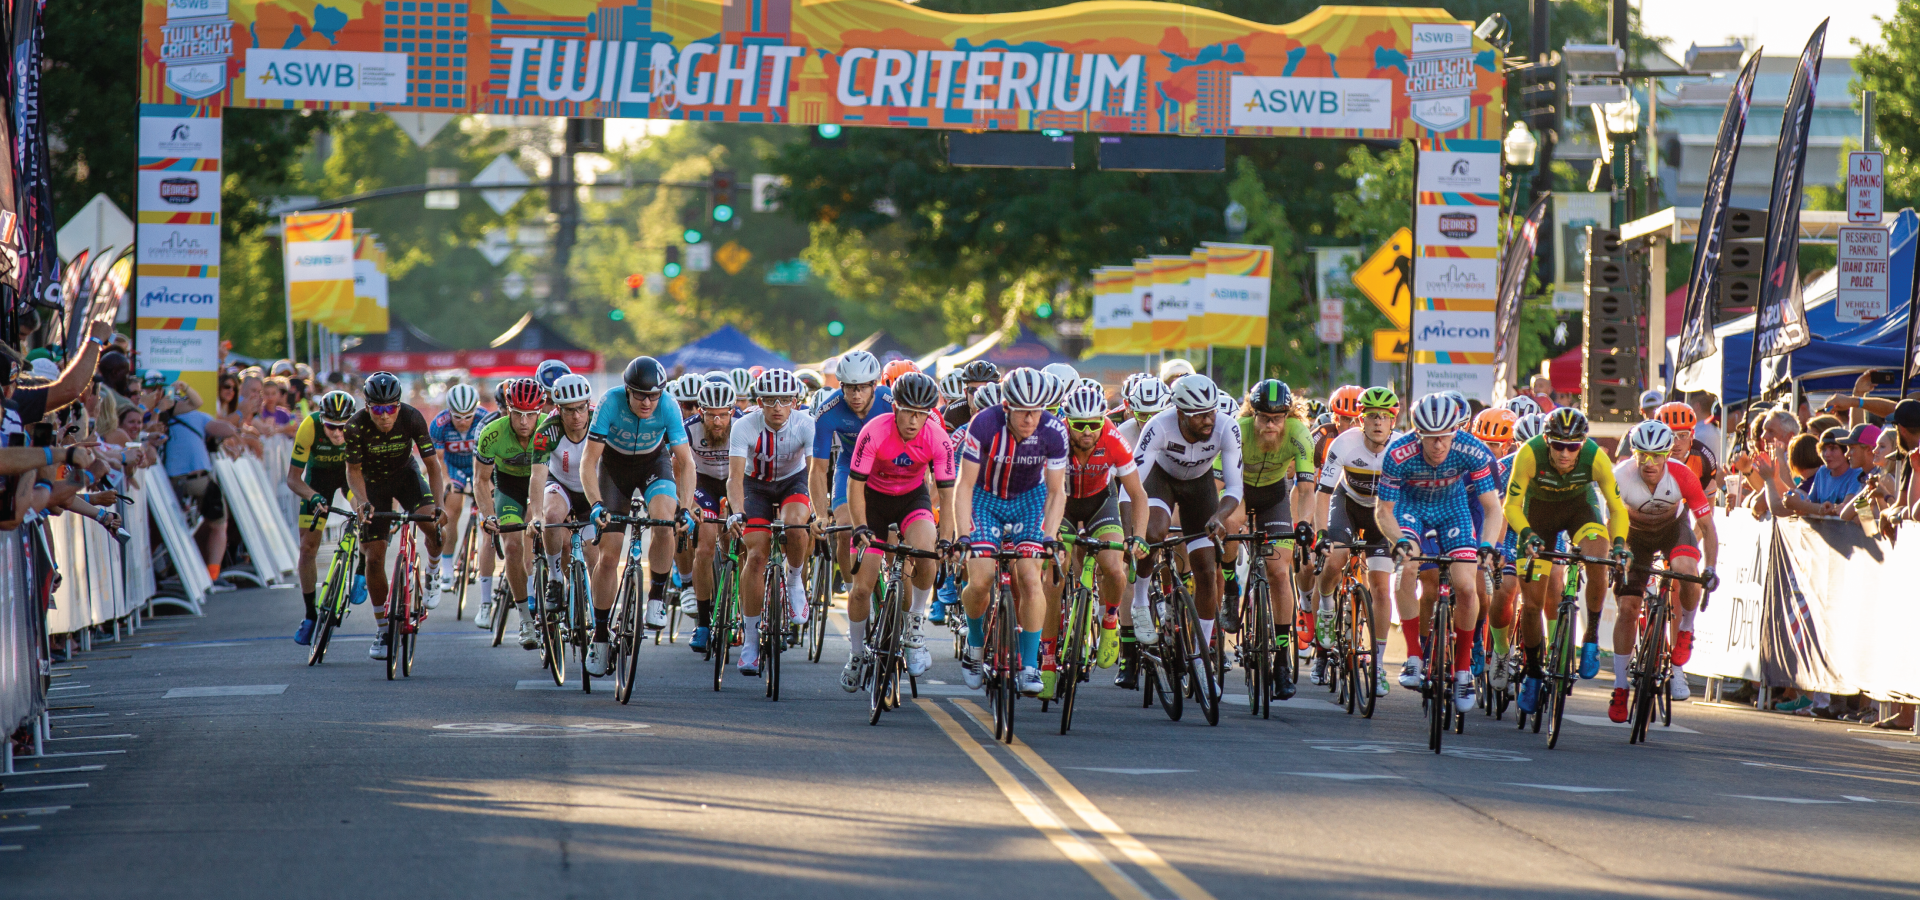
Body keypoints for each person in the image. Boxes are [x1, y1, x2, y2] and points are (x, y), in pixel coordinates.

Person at [1374, 393, 1504, 711]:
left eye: (1445, 436)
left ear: (1455, 432)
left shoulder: (1472, 450)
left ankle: (1462, 672)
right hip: (1410, 509)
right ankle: (1414, 658)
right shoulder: (1398, 452)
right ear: (1417, 433)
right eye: (1430, 438)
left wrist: (1487, 545)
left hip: (1453, 510)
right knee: (1406, 568)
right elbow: (1383, 511)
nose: (1438, 445)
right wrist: (1398, 542)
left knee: (1466, 585)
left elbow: (1492, 508)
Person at [1504, 406, 1631, 714]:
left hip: (1579, 509)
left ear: (1582, 444)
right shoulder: (1529, 454)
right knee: (1532, 605)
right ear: (1546, 441)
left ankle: (1589, 638)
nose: (1564, 453)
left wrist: (1618, 544)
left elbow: (1617, 509)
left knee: (1598, 557)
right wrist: (1527, 534)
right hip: (1538, 517)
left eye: (1572, 446)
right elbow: (1511, 506)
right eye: (1558, 445)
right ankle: (1533, 672)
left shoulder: (1594, 457)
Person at [952, 367, 1070, 696]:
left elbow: (1057, 492)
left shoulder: (1054, 430)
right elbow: (964, 486)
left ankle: (1029, 665)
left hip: (1029, 500)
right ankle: (975, 647)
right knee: (980, 579)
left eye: (1037, 411)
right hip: (985, 499)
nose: (1031, 418)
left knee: (1031, 578)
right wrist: (963, 536)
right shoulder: (985, 423)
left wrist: (1049, 536)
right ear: (1007, 408)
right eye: (1023, 411)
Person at [841, 372, 956, 691]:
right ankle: (855, 654)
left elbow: (947, 496)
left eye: (921, 413)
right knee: (861, 588)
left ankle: (915, 626)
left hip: (911, 499)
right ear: (896, 408)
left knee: (927, 551)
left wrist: (946, 537)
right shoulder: (874, 431)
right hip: (873, 502)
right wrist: (860, 526)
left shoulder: (937, 437)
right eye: (908, 411)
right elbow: (854, 486)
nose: (914, 420)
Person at [1610, 419, 1718, 721]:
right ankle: (1620, 688)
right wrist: (1617, 553)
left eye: (1657, 455)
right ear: (1634, 452)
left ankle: (1685, 629)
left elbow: (1708, 528)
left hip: (1673, 531)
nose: (1650, 461)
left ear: (1667, 454)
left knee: (1687, 570)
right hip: (1634, 536)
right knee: (1629, 607)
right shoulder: (1620, 476)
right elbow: (1610, 524)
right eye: (1643, 454)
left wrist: (1710, 568)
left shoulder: (1683, 475)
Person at [583, 356, 697, 638]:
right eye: (640, 396)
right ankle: (599, 632)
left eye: (653, 396)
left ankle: (656, 597)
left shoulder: (669, 405)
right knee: (609, 556)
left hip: (653, 465)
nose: (647, 403)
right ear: (627, 390)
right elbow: (588, 461)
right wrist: (596, 504)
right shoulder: (610, 402)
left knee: (663, 521)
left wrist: (685, 507)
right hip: (614, 469)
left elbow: (686, 462)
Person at [1129, 374, 1242, 656]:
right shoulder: (1158, 427)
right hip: (1160, 480)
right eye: (1200, 415)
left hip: (1200, 486)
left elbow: (1235, 486)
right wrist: (1133, 532)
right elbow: (1129, 487)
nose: (1209, 420)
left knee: (1205, 568)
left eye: (1212, 412)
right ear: (1179, 413)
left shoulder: (1227, 427)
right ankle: (1140, 601)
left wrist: (1219, 516)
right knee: (1153, 532)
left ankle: (1201, 650)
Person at [1054, 383, 1150, 694]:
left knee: (1113, 566)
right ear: (1067, 420)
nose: (1086, 431)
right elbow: (1044, 491)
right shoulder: (1054, 436)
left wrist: (1138, 537)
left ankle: (1110, 618)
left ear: (1102, 421)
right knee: (1053, 569)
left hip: (1100, 503)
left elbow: (1137, 494)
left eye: (1093, 424)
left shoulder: (1112, 437)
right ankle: (1047, 648)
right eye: (1078, 424)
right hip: (1062, 504)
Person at [344, 371, 447, 659]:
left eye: (391, 408)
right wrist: (362, 502)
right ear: (367, 407)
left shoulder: (412, 417)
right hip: (373, 484)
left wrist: (438, 506)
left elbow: (433, 466)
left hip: (406, 477)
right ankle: (382, 629)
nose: (385, 415)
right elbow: (353, 472)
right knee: (373, 557)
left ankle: (434, 571)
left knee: (436, 528)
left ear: (399, 406)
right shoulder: (355, 426)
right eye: (378, 409)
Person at [723, 369, 817, 676]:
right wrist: (737, 511)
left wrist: (818, 509)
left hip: (794, 481)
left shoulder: (806, 424)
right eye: (770, 400)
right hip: (756, 486)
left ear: (795, 402)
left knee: (796, 525)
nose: (778, 406)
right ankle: (750, 642)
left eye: (785, 400)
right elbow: (735, 478)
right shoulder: (744, 426)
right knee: (756, 554)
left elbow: (817, 473)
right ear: (759, 402)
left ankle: (794, 581)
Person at [1310, 386, 1400, 698]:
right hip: (1346, 504)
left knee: (1380, 587)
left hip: (1381, 515)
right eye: (1371, 416)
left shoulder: (1400, 449)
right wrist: (1322, 534)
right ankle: (1325, 606)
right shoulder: (1344, 443)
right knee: (1336, 559)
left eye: (1384, 417)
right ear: (1361, 420)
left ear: (1393, 421)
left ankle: (1377, 662)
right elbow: (1322, 494)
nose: (1378, 422)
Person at [1228, 379, 1316, 696]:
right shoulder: (1236, 430)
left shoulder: (1299, 433)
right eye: (1264, 417)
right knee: (1231, 526)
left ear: (1287, 416)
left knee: (1280, 572)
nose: (1270, 424)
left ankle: (1280, 660)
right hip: (1239, 491)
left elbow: (1306, 489)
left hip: (1274, 497)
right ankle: (1228, 585)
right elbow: (1221, 485)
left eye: (1277, 418)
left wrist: (1304, 523)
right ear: (1253, 413)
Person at [527, 374, 612, 673]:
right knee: (551, 519)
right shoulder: (546, 429)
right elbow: (537, 476)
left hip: (592, 492)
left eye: (580, 408)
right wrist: (536, 514)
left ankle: (603, 624)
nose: (576, 416)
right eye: (568, 410)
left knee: (594, 558)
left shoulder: (601, 422)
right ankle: (553, 578)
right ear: (557, 409)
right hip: (560, 485)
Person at [808, 350, 893, 610]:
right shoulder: (829, 411)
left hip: (885, 469)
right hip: (850, 466)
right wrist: (821, 513)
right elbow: (818, 470)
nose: (856, 395)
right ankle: (851, 590)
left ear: (874, 385)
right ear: (840, 385)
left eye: (863, 388)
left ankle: (894, 578)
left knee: (891, 534)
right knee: (845, 530)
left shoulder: (891, 403)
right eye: (849, 388)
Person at [473, 379, 553, 649]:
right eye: (517, 413)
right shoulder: (492, 432)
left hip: (542, 484)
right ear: (507, 409)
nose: (523, 421)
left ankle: (562, 594)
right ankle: (525, 620)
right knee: (513, 545)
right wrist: (488, 515)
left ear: (540, 411)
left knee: (555, 533)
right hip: (508, 487)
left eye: (531, 414)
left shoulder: (551, 427)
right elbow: (481, 480)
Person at [286, 391, 359, 645]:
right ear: (322, 420)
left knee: (365, 511)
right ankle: (309, 615)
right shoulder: (310, 426)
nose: (338, 434)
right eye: (331, 427)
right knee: (307, 549)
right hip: (318, 482)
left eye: (343, 427)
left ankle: (361, 570)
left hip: (350, 477)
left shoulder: (360, 427)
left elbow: (364, 478)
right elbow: (293, 479)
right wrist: (313, 496)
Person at [153, 375, 238, 586]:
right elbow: (228, 429)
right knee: (218, 525)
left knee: (167, 528)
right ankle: (212, 575)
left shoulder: (158, 417)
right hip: (197, 479)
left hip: (170, 482)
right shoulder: (194, 416)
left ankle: (159, 573)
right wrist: (185, 387)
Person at [682, 378, 739, 654]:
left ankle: (737, 608)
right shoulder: (690, 430)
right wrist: (689, 502)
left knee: (738, 546)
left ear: (732, 411)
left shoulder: (743, 425)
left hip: (735, 482)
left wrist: (737, 504)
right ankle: (703, 623)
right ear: (700, 411)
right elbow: (679, 469)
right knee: (704, 547)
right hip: (703, 485)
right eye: (711, 415)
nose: (717, 422)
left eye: (723, 415)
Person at [430, 383, 492, 617]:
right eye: (458, 417)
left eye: (468, 416)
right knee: (452, 508)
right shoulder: (439, 424)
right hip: (453, 466)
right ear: (449, 412)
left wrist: (489, 483)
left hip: (480, 465)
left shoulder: (485, 419)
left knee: (490, 503)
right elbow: (437, 461)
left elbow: (493, 454)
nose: (464, 421)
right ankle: (447, 569)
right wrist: (447, 481)